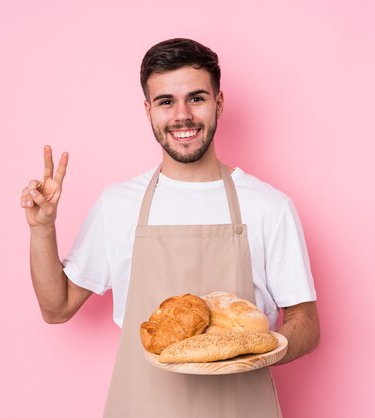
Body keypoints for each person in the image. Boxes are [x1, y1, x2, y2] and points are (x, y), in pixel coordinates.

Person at [20, 38, 320, 417]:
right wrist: (42, 229)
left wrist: (252, 349)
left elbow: (305, 322)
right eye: (166, 101)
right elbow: (56, 307)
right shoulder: (119, 204)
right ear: (148, 110)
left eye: (196, 98)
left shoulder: (268, 207)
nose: (182, 115)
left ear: (219, 103)